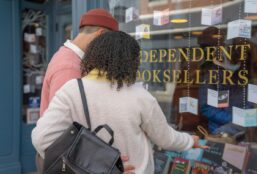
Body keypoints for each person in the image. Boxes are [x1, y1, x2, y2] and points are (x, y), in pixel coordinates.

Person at [32, 31, 205, 174]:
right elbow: (166, 139)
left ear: (94, 56)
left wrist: (94, 163)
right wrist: (190, 141)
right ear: (131, 62)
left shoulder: (72, 89)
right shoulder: (140, 97)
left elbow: (42, 139)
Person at [38, 8, 134, 173]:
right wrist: (107, 165)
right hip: (67, 162)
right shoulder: (69, 66)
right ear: (100, 34)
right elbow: (67, 131)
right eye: (109, 44)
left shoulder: (70, 59)